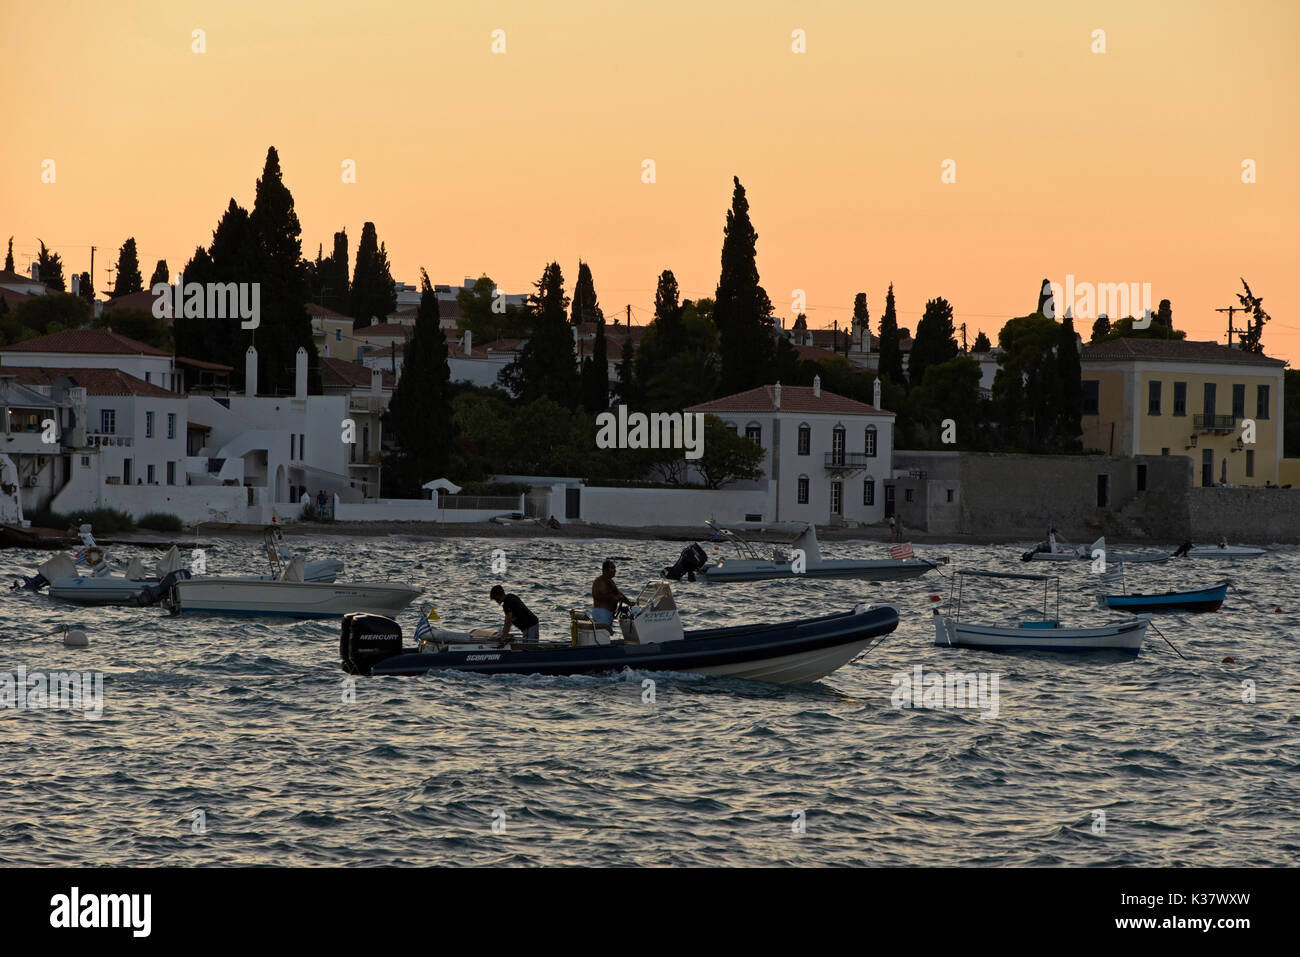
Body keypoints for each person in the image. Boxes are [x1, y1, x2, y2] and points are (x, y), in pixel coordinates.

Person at [592, 559, 631, 629]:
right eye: (612, 568)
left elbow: (619, 593)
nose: (615, 570)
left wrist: (630, 603)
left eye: (615, 568)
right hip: (602, 613)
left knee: (604, 634)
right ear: (605, 570)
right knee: (603, 634)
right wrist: (616, 598)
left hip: (607, 614)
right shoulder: (600, 582)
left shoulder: (610, 581)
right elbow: (602, 597)